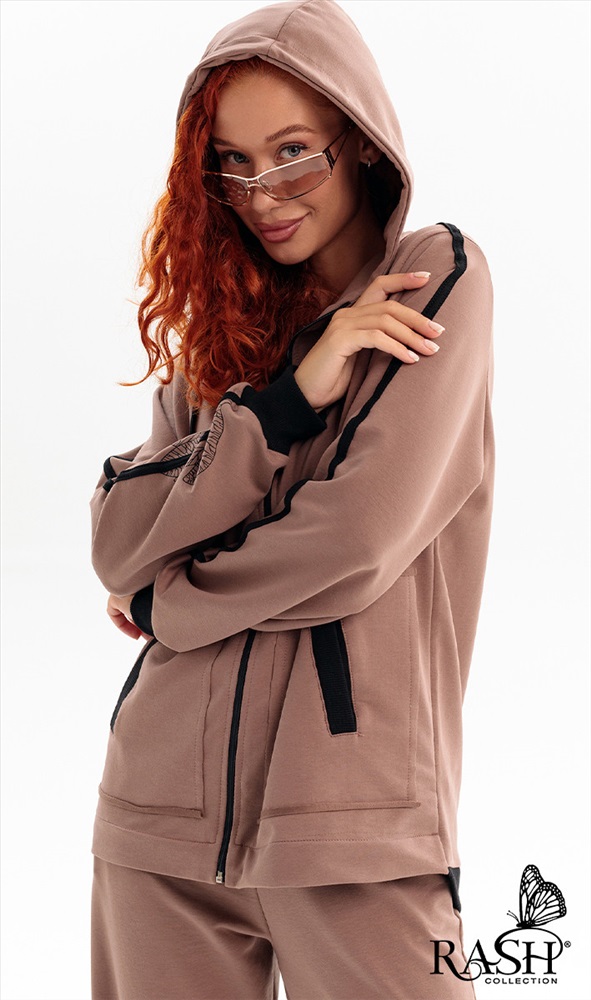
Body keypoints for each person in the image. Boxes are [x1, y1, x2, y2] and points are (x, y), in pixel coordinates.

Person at [89, 0, 494, 996]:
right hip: (157, 822)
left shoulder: (433, 278)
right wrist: (281, 403)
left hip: (352, 827)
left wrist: (168, 606)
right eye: (232, 164)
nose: (262, 193)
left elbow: (356, 539)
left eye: (293, 154)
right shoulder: (220, 333)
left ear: (359, 144)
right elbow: (119, 539)